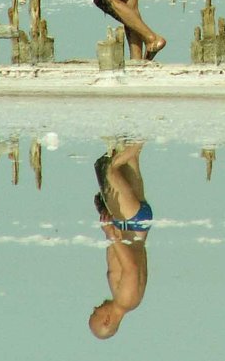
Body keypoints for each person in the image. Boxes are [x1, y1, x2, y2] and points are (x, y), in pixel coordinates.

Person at [89, 143, 151, 339]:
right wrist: (112, 236)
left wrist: (107, 217)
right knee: (107, 168)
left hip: (131, 223)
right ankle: (152, 129)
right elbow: (131, 266)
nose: (95, 307)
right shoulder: (126, 300)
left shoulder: (125, 300)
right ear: (107, 320)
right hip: (130, 223)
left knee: (128, 154)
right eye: (95, 314)